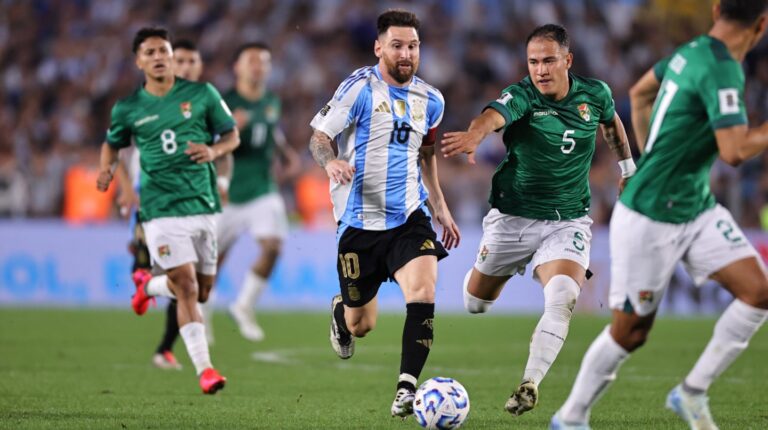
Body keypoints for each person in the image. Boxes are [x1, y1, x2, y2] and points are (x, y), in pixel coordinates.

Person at [551, 1, 768, 428]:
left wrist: (645, 160)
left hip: (695, 206)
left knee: (759, 292)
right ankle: (570, 417)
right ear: (762, 25)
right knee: (631, 332)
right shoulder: (723, 68)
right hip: (651, 216)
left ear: (716, 9)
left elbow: (639, 92)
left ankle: (691, 393)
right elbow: (735, 150)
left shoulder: (690, 51)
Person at [441, 24, 633, 417]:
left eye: (548, 60)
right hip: (512, 218)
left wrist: (628, 165)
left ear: (568, 60)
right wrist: (476, 136)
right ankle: (503, 268)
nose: (540, 70)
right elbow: (492, 116)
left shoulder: (595, 94)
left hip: (568, 220)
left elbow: (611, 123)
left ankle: (529, 383)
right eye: (533, 62)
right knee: (475, 304)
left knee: (563, 297)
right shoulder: (523, 95)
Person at [309, 9, 460, 417]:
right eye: (397, 45)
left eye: (412, 45)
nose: (406, 53)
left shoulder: (431, 100)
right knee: (362, 325)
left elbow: (426, 153)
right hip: (359, 223)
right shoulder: (358, 89)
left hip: (408, 217)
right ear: (379, 48)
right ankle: (342, 311)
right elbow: (320, 137)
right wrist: (330, 163)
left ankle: (407, 389)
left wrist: (439, 205)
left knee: (424, 291)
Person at [96, 27, 240, 394]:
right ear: (139, 61)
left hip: (203, 204)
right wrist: (109, 175)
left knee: (203, 290)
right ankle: (206, 370)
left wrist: (213, 152)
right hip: (160, 210)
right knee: (189, 286)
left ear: (172, 55)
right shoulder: (128, 108)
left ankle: (149, 285)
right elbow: (112, 146)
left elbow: (231, 136)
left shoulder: (202, 94)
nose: (159, 57)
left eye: (164, 50)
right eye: (150, 52)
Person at [113, 39, 213, 371]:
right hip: (151, 198)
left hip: (195, 203)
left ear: (198, 66)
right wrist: (127, 187)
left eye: (191, 61)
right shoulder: (146, 101)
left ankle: (166, 346)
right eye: (179, 60)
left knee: (190, 283)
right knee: (160, 272)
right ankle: (148, 293)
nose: (185, 66)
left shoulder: (203, 103)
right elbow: (119, 147)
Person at [217, 42, 300, 342]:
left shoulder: (271, 101)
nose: (258, 66)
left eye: (263, 61)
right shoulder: (223, 102)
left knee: (274, 245)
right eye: (251, 60)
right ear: (237, 67)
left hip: (263, 187)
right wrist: (228, 131)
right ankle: (200, 320)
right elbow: (205, 146)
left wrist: (286, 153)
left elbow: (271, 130)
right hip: (227, 190)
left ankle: (243, 306)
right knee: (210, 264)